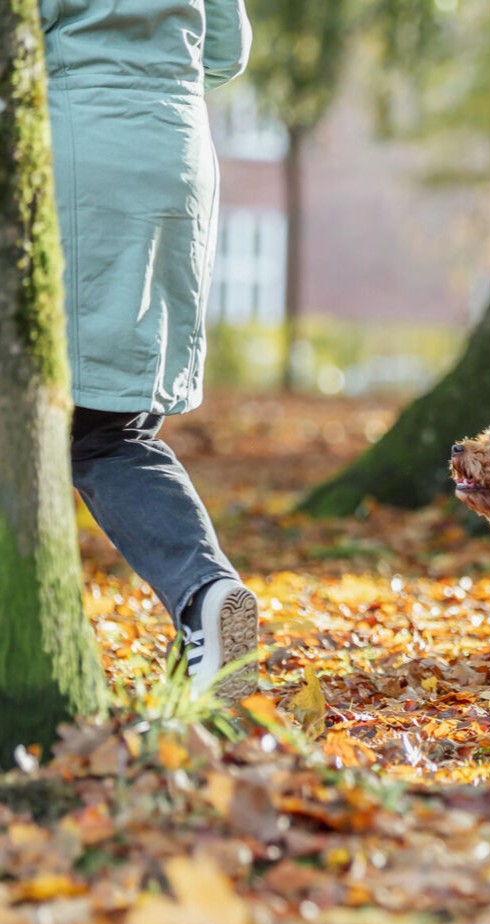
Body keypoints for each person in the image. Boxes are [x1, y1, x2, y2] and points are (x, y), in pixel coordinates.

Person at [41, 0, 259, 701]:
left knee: (83, 427)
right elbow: (226, 49)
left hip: (73, 149)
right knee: (114, 424)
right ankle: (207, 595)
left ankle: (200, 603)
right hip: (173, 155)